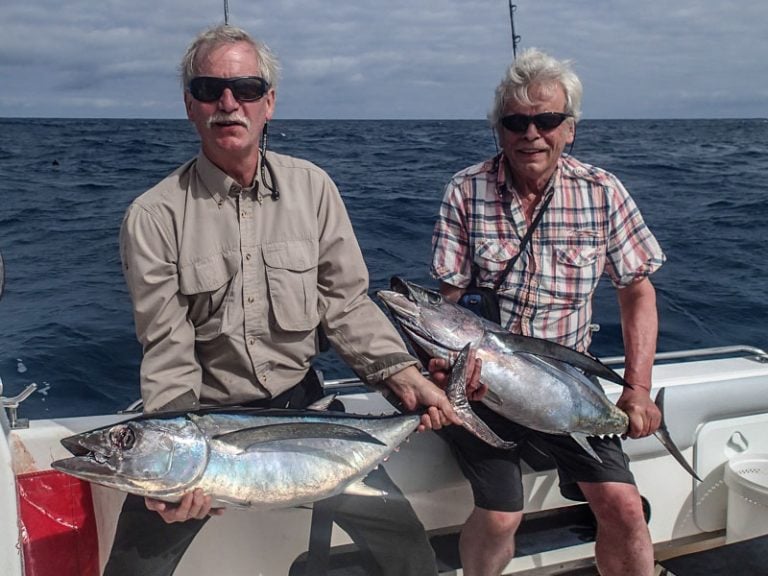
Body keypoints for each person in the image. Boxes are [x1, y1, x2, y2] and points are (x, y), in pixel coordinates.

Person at [107, 23, 475, 576]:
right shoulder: (154, 216)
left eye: (247, 89)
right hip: (205, 425)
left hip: (308, 420)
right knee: (132, 570)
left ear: (269, 103)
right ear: (190, 105)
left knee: (412, 561)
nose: (229, 104)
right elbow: (167, 345)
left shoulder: (314, 189)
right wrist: (175, 470)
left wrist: (404, 377)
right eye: (210, 90)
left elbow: (346, 304)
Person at [429, 48, 666, 576]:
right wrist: (447, 371)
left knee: (625, 509)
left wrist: (638, 388)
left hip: (566, 385)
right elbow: (447, 303)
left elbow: (637, 292)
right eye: (515, 121)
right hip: (484, 386)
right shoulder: (466, 190)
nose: (530, 133)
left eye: (547, 120)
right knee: (500, 517)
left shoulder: (602, 192)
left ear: (570, 129)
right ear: (499, 130)